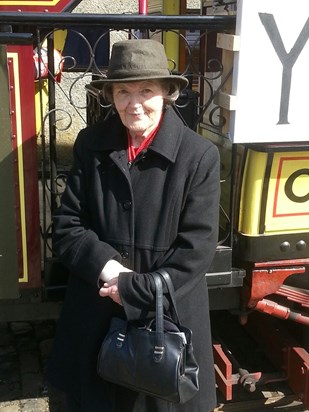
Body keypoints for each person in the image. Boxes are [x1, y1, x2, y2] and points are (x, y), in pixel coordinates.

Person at [47, 39, 220, 412]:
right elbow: (67, 225)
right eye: (123, 91)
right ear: (111, 95)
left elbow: (197, 250)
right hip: (96, 310)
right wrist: (112, 272)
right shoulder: (91, 143)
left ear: (168, 93)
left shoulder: (199, 156)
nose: (134, 103)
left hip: (166, 322)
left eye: (146, 90)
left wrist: (136, 290)